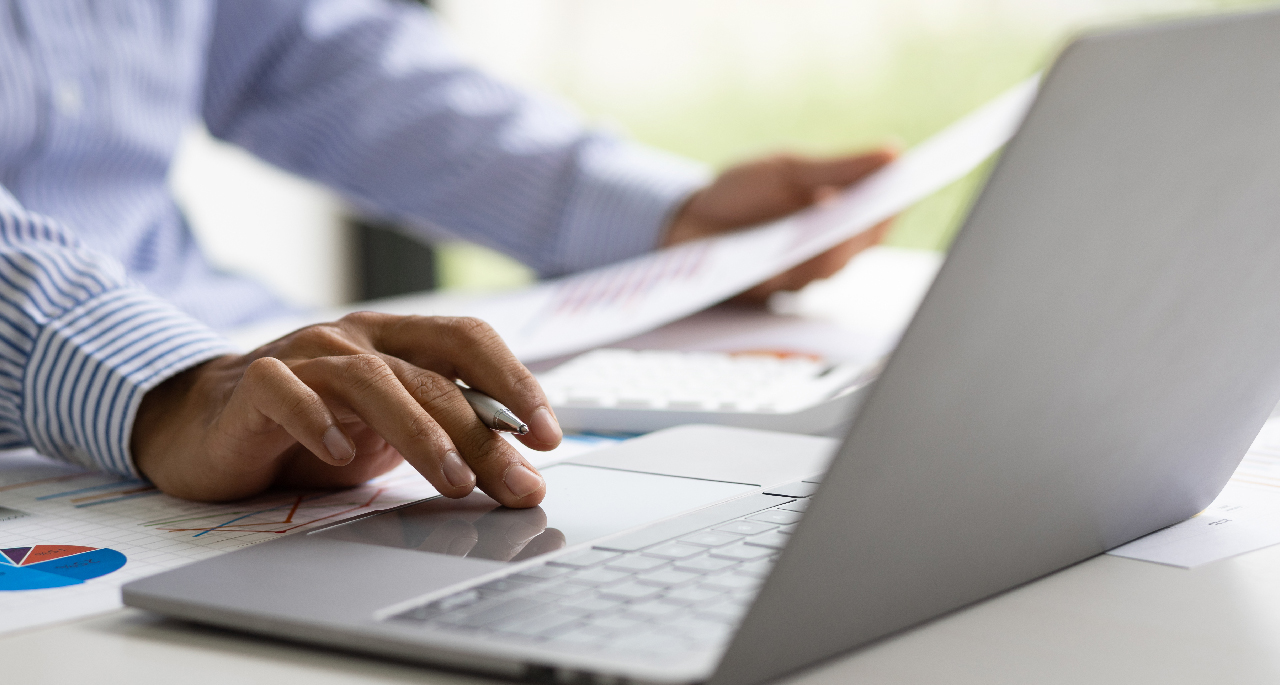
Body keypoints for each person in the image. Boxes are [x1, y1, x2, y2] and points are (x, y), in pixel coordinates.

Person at [0, 0, 892, 509]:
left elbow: (308, 51)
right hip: (121, 410)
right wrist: (160, 385)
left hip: (220, 378)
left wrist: (660, 215)